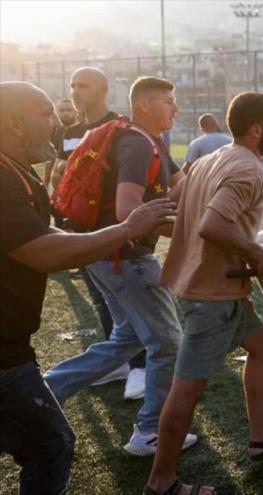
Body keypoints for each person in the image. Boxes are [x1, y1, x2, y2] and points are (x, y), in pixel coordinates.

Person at [0, 80, 176, 495]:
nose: (58, 122)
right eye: (46, 115)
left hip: (11, 346)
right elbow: (44, 252)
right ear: (13, 123)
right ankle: (151, 429)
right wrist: (126, 230)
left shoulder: (15, 170)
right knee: (51, 445)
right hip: (4, 353)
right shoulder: (3, 179)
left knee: (127, 339)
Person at [144, 91, 263, 495]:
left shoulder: (208, 161)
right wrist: (257, 253)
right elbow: (212, 225)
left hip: (209, 287)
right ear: (256, 129)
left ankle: (260, 436)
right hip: (210, 298)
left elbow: (170, 209)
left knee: (262, 344)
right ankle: (162, 482)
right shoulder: (247, 169)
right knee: (186, 392)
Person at [43, 76, 199, 455]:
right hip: (126, 259)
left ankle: (44, 389)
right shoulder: (137, 145)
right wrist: (191, 234)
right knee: (167, 343)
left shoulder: (150, 141)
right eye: (168, 101)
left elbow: (184, 183)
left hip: (107, 259)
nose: (175, 109)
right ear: (144, 104)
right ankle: (149, 432)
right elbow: (130, 213)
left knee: (126, 338)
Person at [53, 67, 150, 397]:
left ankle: (139, 367)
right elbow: (61, 175)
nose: (76, 91)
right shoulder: (70, 131)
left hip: (111, 230)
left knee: (127, 304)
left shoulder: (119, 128)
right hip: (80, 230)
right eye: (73, 85)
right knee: (101, 299)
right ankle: (119, 364)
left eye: (84, 85)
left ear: (104, 89)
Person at [44, 97, 77, 186]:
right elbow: (50, 159)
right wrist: (45, 183)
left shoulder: (83, 132)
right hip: (58, 182)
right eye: (61, 111)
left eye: (69, 110)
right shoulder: (54, 132)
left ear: (76, 111)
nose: (65, 113)